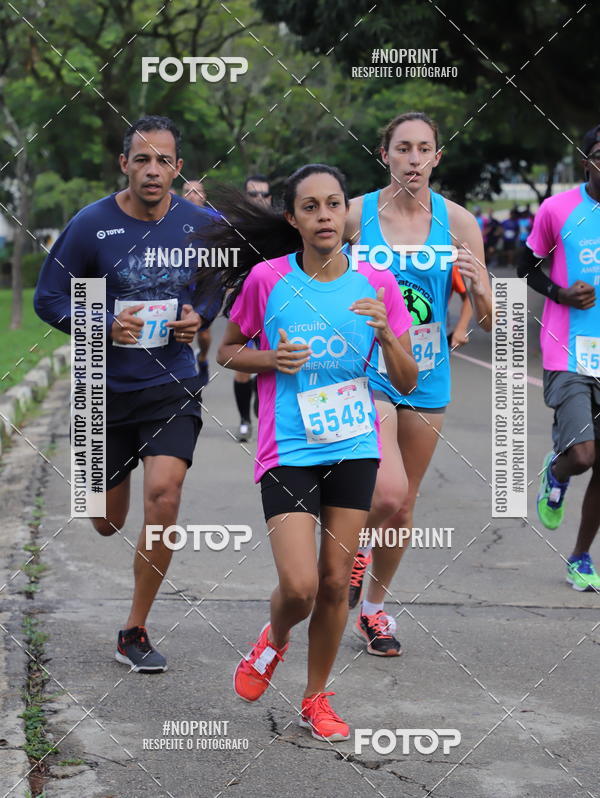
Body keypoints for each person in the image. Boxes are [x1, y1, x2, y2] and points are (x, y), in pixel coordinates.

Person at [199, 164, 417, 740]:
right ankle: (273, 639)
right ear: (293, 218)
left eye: (334, 204)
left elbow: (409, 380)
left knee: (333, 580)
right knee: (298, 588)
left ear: (348, 214)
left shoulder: (378, 284)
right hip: (288, 447)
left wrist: (389, 335)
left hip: (353, 443)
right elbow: (228, 351)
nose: (325, 215)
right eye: (311, 207)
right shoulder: (268, 280)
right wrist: (271, 360)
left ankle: (316, 696)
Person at [34, 116, 220, 672]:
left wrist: (199, 315)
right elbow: (50, 299)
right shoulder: (91, 225)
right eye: (142, 159)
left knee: (164, 495)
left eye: (164, 160)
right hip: (103, 390)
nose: (153, 170)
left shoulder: (198, 223)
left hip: (172, 384)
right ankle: (106, 501)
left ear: (178, 168)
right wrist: (101, 324)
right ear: (124, 165)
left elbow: (216, 281)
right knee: (106, 520)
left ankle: (134, 628)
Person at [345, 111, 493, 655]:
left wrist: (479, 289)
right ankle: (352, 552)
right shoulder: (356, 214)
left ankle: (375, 610)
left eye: (423, 148)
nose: (413, 158)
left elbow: (492, 318)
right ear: (384, 154)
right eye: (402, 148)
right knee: (387, 490)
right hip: (367, 365)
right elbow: (317, 274)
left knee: (405, 505)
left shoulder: (457, 222)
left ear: (437, 156)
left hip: (428, 370)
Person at [518, 124, 600, 591]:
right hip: (568, 349)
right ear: (586, 161)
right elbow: (527, 264)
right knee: (583, 456)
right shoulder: (558, 209)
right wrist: (562, 294)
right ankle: (558, 468)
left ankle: (581, 557)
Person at [232, 175, 273, 441]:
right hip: (244, 305)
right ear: (245, 197)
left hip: (273, 305)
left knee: (268, 363)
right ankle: (245, 419)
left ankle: (262, 401)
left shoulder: (281, 228)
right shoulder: (235, 230)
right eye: (253, 195)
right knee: (243, 366)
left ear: (270, 198)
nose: (258, 200)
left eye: (263, 195)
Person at [181, 179, 211, 387]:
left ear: (204, 196)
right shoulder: (169, 218)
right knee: (181, 330)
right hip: (179, 284)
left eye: (197, 191)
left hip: (204, 284)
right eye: (187, 191)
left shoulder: (215, 219)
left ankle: (202, 359)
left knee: (204, 334)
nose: (192, 195)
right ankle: (185, 372)